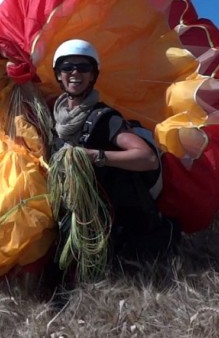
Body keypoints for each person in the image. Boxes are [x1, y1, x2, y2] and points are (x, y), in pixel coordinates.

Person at [49, 39, 180, 277]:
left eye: (83, 67)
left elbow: (147, 158)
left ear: (93, 76)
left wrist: (95, 156)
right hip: (66, 213)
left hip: (104, 219)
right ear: (58, 75)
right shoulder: (53, 119)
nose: (75, 72)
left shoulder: (104, 118)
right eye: (67, 67)